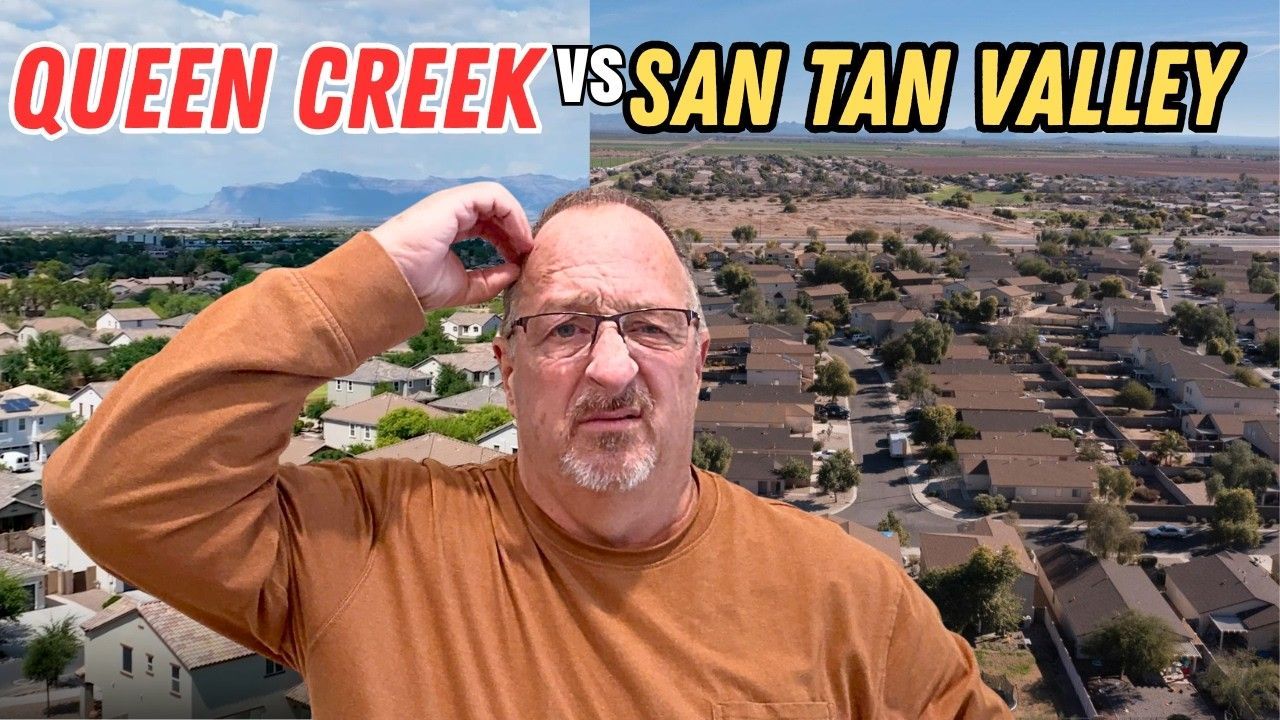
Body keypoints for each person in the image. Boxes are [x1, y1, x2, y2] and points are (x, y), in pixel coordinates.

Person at [44, 183, 1009, 719]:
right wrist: (377, 280)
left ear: (701, 359)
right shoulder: (371, 544)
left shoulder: (850, 599)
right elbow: (113, 490)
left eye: (653, 326)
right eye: (564, 331)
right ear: (505, 367)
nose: (612, 367)